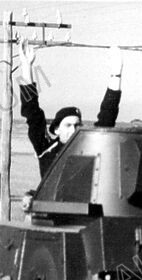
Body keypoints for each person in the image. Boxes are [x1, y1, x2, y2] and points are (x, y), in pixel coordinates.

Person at [18, 40, 124, 177]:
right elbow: (32, 112)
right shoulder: (46, 148)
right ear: (57, 129)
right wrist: (26, 66)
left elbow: (107, 117)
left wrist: (116, 73)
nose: (73, 130)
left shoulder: (89, 148)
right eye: (68, 125)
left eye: (77, 125)